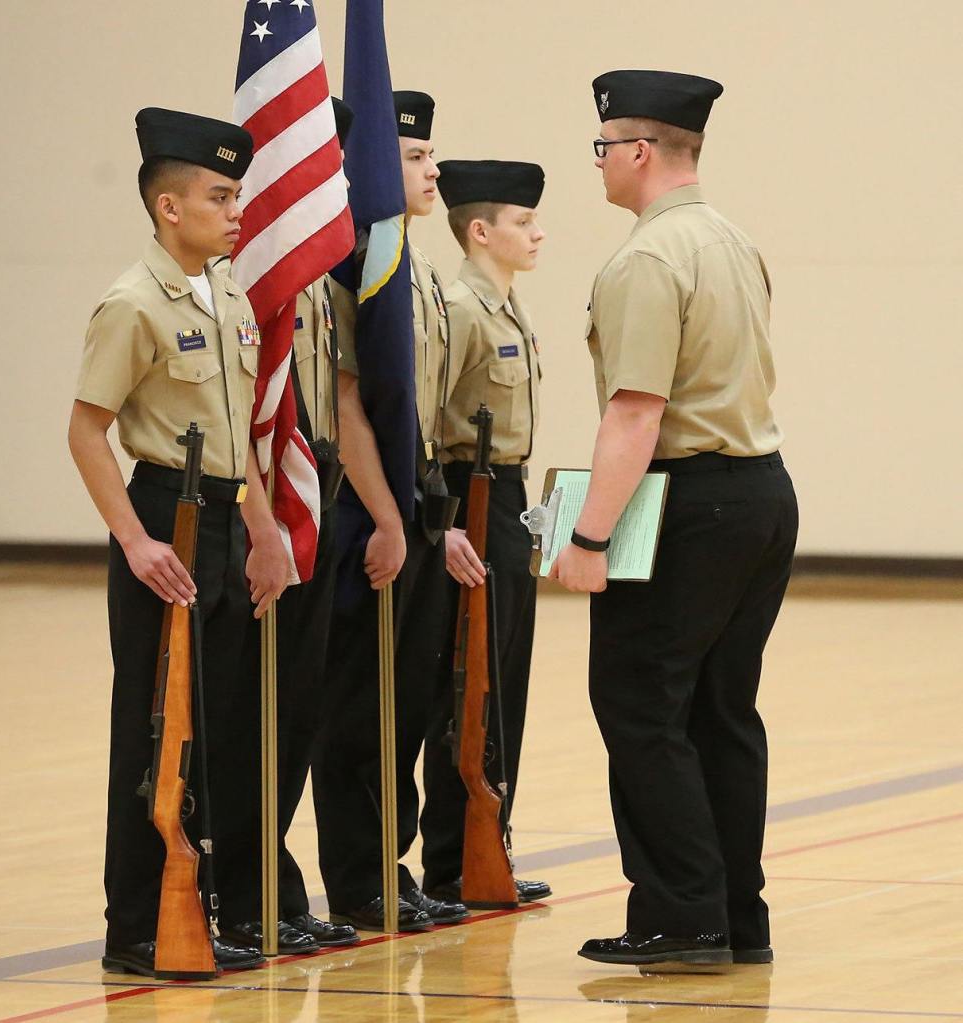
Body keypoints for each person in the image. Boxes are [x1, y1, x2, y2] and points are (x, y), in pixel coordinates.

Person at [552, 71, 798, 969]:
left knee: (641, 707)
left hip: (688, 501)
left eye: (604, 148)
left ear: (640, 151)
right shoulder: (732, 241)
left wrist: (586, 538)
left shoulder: (647, 259)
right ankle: (735, 914)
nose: (601, 164)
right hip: (761, 490)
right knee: (720, 713)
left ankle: (682, 916)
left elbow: (635, 413)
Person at [68, 108, 293, 976]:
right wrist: (133, 540)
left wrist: (266, 532)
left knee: (224, 725)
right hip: (167, 516)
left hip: (232, 520)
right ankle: (135, 925)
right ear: (169, 207)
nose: (237, 210)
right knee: (159, 729)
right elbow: (87, 431)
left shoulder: (228, 292)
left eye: (237, 194)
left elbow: (240, 436)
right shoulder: (132, 303)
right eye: (220, 195)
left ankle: (205, 909)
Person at [311, 90, 467, 932]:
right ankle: (357, 877)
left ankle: (388, 863)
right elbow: (352, 406)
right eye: (412, 156)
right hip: (365, 512)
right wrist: (388, 517)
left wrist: (434, 520)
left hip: (419, 504)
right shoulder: (352, 268)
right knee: (354, 705)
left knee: (404, 702)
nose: (431, 169)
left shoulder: (420, 271)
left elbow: (423, 411)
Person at [215, 99, 359, 955]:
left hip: (313, 501)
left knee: (298, 710)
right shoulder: (248, 277)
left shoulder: (314, 279)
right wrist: (262, 520)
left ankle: (271, 881)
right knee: (247, 715)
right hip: (250, 511)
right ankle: (240, 888)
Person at [418, 159, 552, 906]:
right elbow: (430, 422)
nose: (538, 233)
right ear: (480, 230)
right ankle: (450, 860)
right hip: (467, 502)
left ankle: (487, 844)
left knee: (505, 682)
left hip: (510, 499)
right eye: (523, 222)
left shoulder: (507, 305)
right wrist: (441, 525)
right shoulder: (462, 309)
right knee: (466, 684)